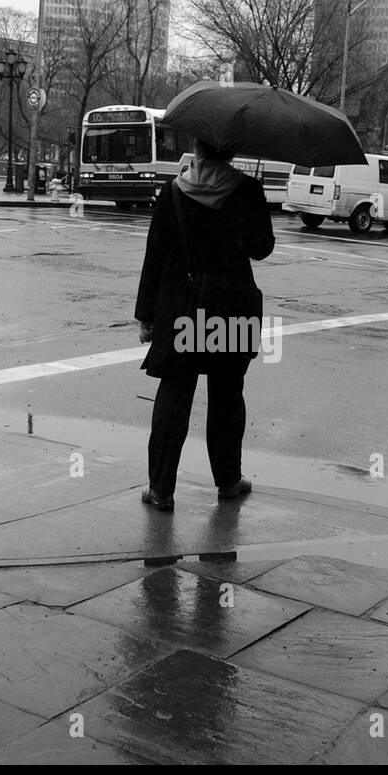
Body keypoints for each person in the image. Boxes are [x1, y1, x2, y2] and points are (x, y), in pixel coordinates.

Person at [134, 139, 275, 512]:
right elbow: (261, 247)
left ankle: (161, 489)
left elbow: (156, 255)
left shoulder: (174, 191)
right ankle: (229, 480)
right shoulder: (248, 190)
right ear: (231, 151)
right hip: (232, 309)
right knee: (228, 396)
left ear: (196, 148)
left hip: (183, 307)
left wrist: (147, 315)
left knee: (175, 394)